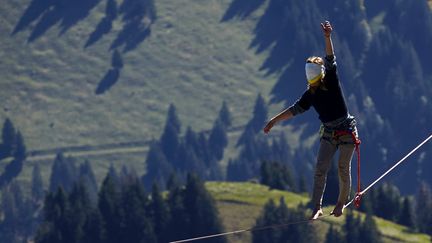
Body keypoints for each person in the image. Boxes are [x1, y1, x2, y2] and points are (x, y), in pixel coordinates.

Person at [263, 21, 359, 219]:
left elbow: (330, 59)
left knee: (341, 168)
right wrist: (274, 120)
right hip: (331, 133)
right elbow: (295, 109)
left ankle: (340, 203)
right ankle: (317, 206)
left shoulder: (328, 82)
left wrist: (327, 37)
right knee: (322, 169)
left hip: (346, 130)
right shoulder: (311, 94)